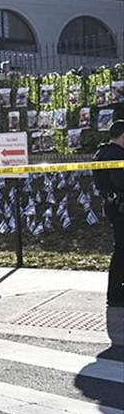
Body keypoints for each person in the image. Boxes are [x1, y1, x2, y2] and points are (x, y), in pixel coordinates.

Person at [93, 119, 124, 308]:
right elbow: (120, 182)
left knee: (121, 249)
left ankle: (117, 292)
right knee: (121, 250)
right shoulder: (116, 154)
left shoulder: (101, 152)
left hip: (113, 205)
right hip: (121, 207)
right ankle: (116, 295)